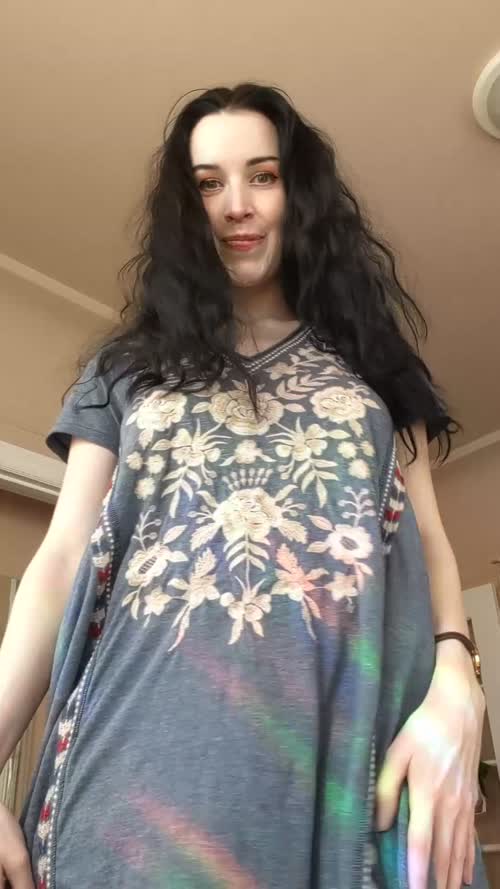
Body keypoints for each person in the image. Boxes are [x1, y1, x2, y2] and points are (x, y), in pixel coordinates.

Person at [0, 83, 488, 889]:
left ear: (299, 191)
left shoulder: (375, 372)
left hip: (344, 770)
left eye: (263, 175)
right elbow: (60, 560)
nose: (237, 205)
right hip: (132, 784)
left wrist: (458, 683)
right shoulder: (126, 372)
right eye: (208, 183)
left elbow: (427, 539)